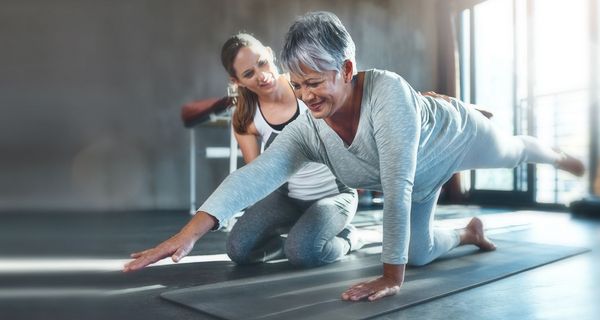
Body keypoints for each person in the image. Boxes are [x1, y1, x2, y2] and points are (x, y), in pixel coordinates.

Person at [124, 11, 585, 303]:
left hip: (453, 139)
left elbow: (397, 183)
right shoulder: (308, 126)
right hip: (422, 179)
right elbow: (260, 172)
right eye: (298, 85)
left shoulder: (388, 97)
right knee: (420, 253)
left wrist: (389, 276)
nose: (306, 97)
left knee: (511, 152)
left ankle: (556, 153)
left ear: (346, 68)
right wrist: (187, 235)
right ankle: (469, 231)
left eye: (316, 83)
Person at [218, 33, 359, 267]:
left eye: (262, 62)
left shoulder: (306, 86)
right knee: (238, 249)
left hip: (335, 195)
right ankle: (301, 240)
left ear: (270, 53)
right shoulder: (246, 118)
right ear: (237, 81)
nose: (262, 76)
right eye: (249, 74)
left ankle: (349, 238)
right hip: (288, 198)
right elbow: (259, 177)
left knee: (302, 253)